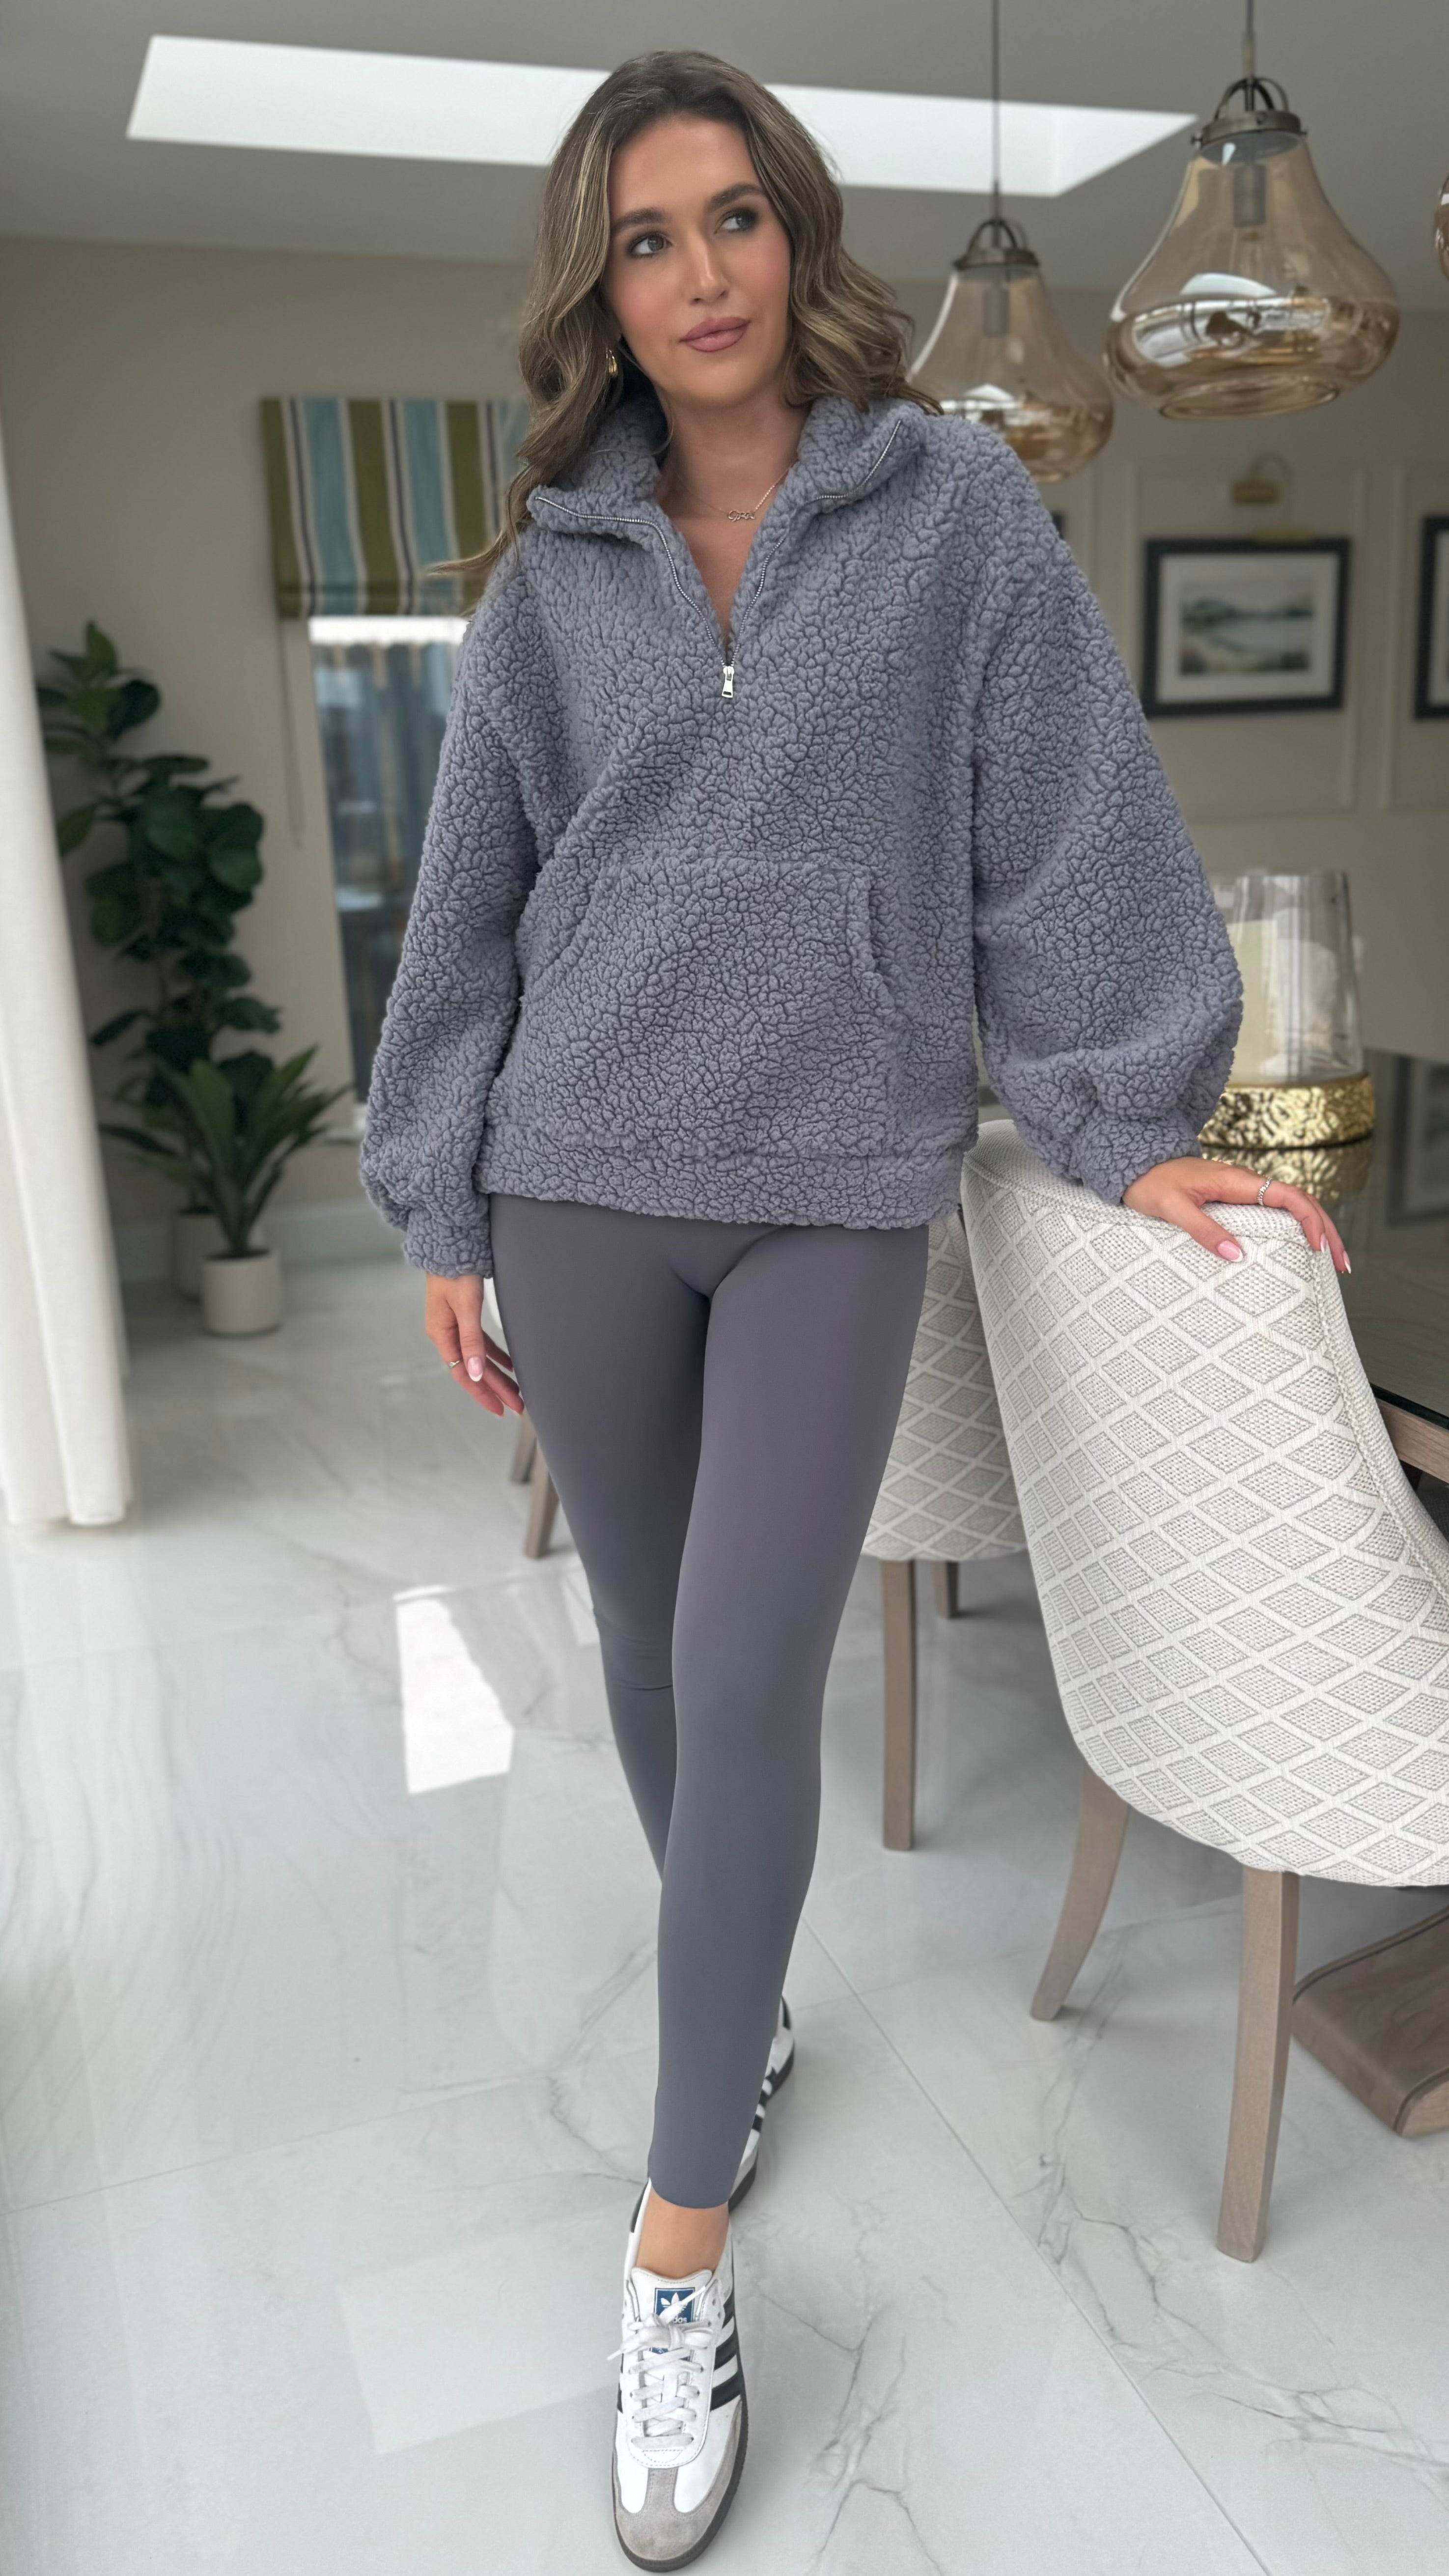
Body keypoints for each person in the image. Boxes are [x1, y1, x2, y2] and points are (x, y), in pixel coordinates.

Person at [360, 49, 1349, 2570]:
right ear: (599, 288)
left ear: (797, 234)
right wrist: (445, 1196)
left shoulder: (953, 518)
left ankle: (673, 2253)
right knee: (653, 1664)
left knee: (749, 1661)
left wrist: (1131, 1111)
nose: (698, 275)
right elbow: (473, 900)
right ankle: (749, 2016)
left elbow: (1071, 830)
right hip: (580, 1182)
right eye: (645, 239)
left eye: (733, 218)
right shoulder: (552, 573)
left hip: (828, 1189)